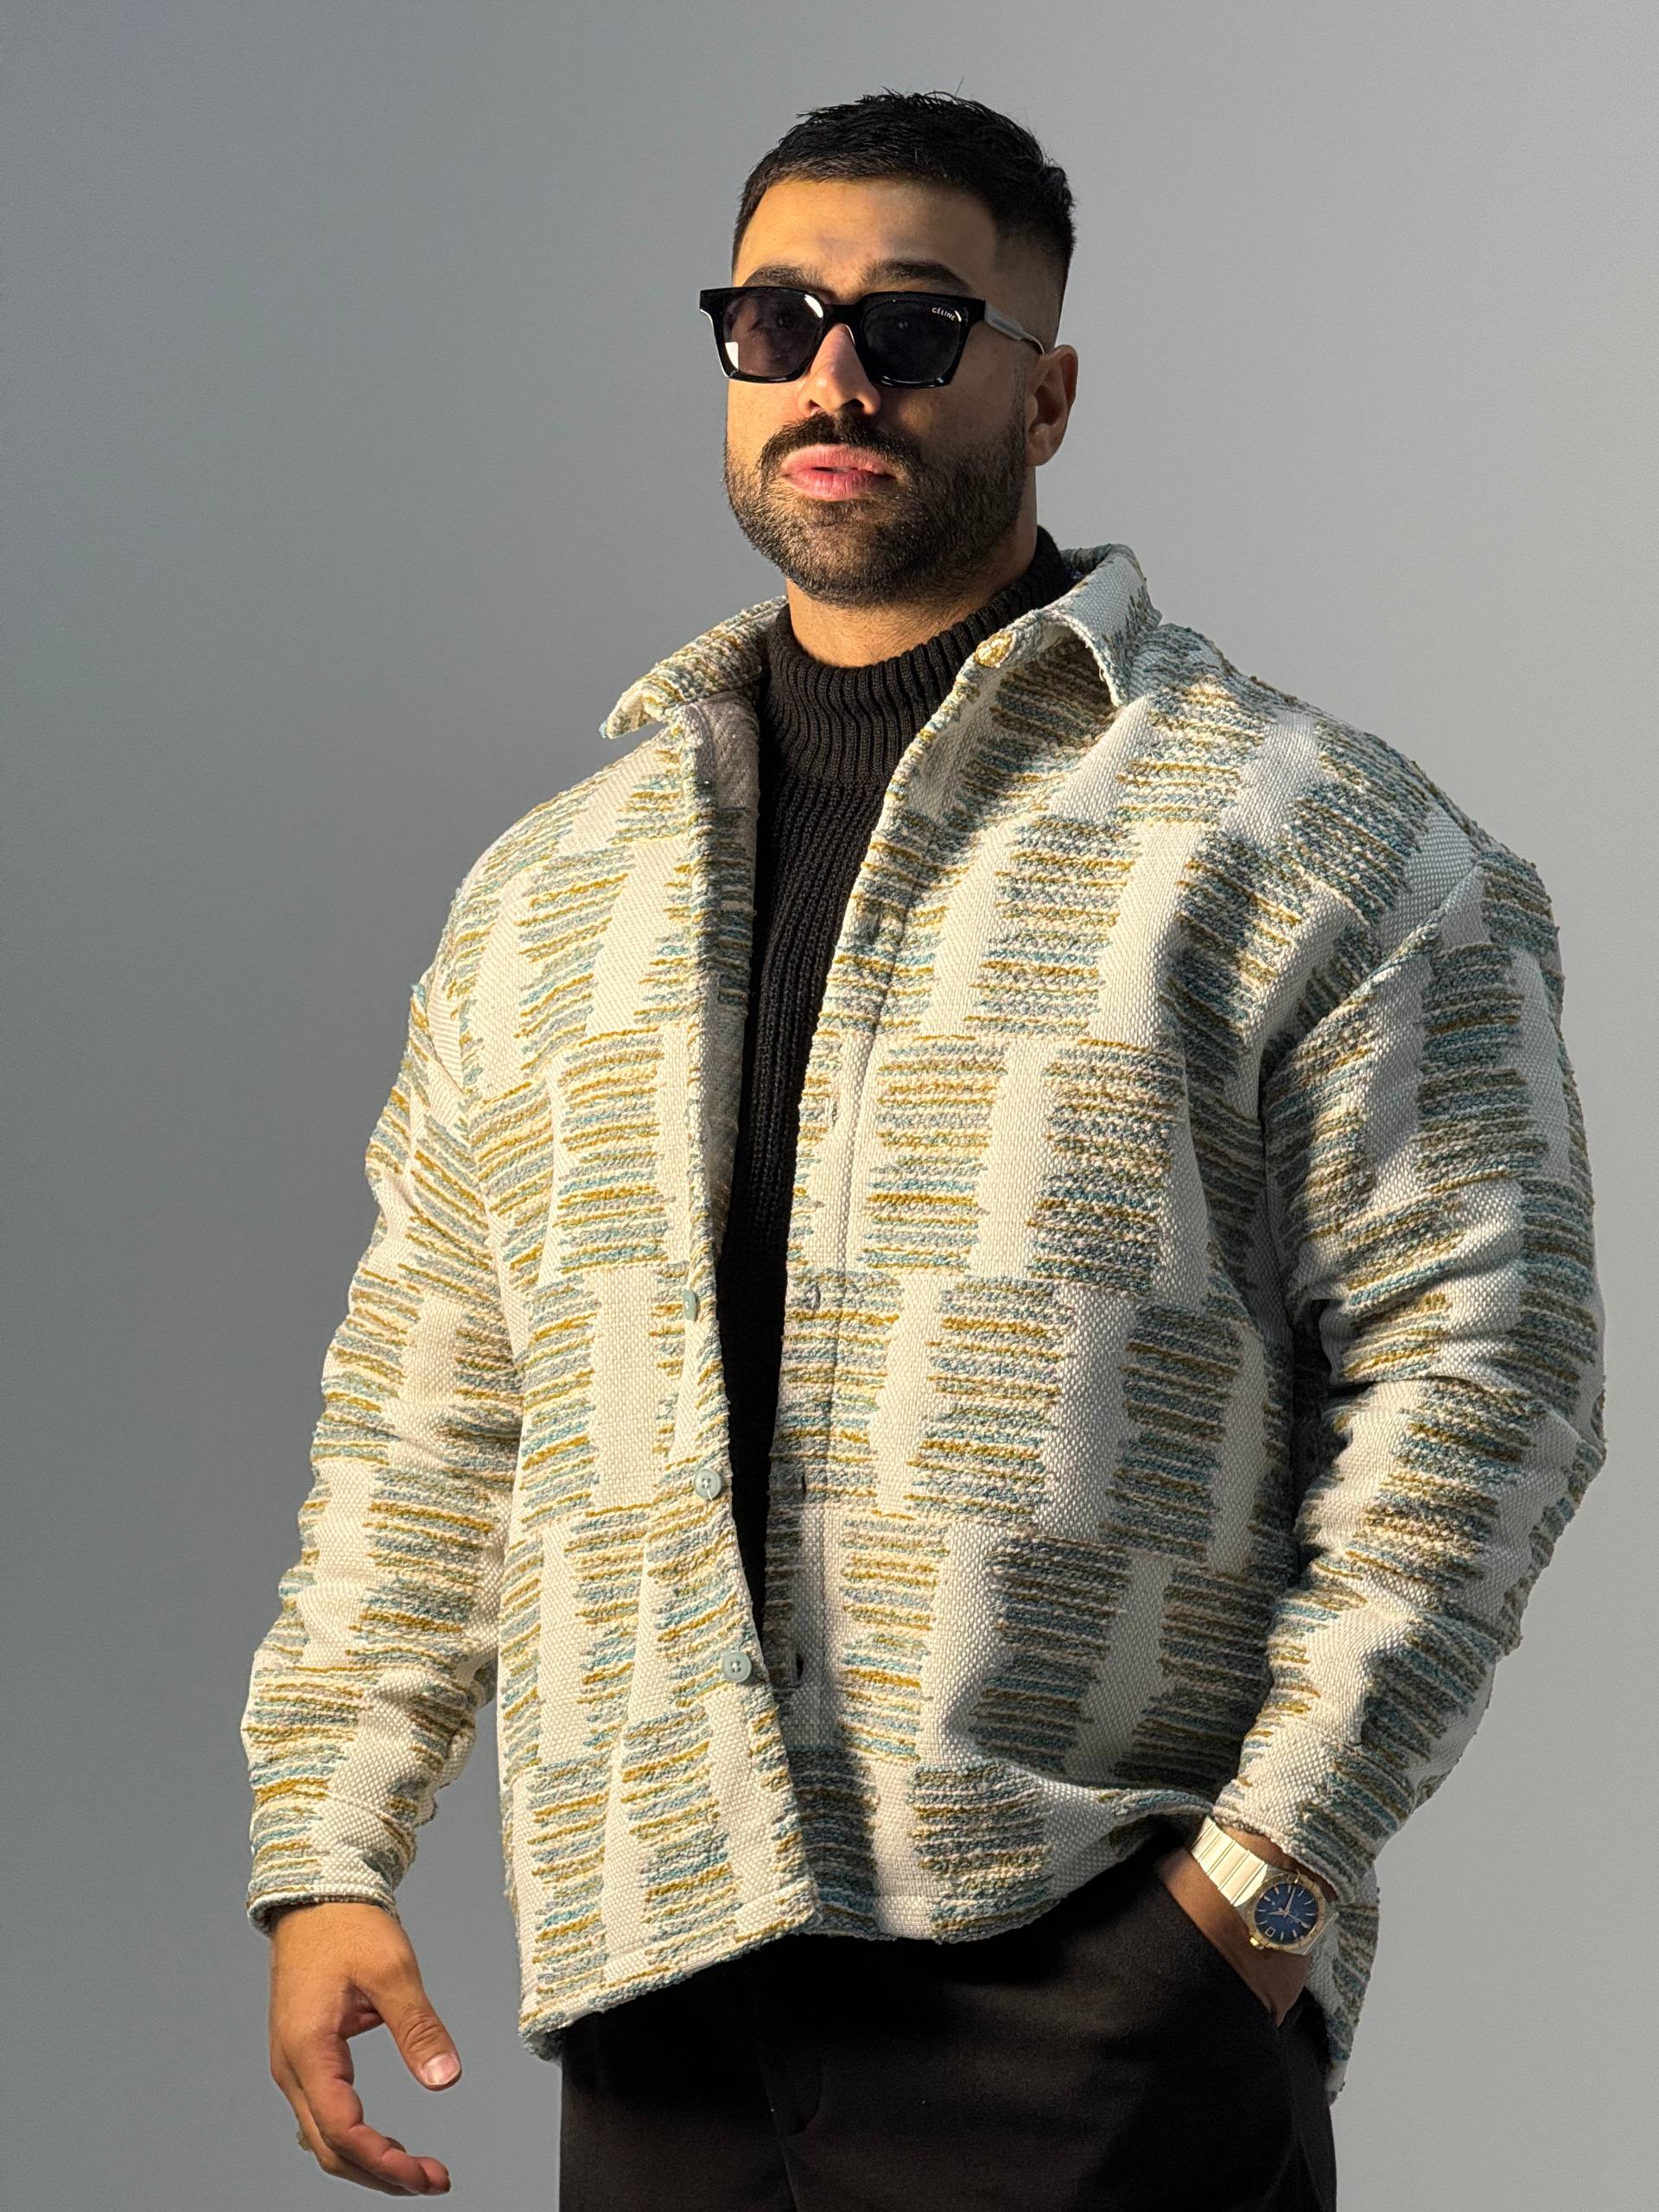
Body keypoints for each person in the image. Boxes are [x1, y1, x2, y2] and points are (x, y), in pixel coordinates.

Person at [241, 90, 1607, 2209]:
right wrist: (328, 1846)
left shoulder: (1305, 838)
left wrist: (1263, 1882)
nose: (836, 377)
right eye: (774, 321)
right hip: (662, 1990)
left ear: (1042, 393)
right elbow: (433, 1400)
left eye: (913, 324)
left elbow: (1492, 1368)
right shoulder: (552, 896)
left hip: (1098, 1982)